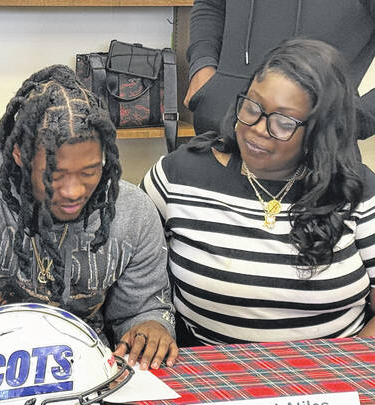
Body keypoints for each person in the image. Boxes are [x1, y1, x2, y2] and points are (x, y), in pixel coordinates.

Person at [0, 65, 177, 370]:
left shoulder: (133, 212)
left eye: (89, 172)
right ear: (19, 154)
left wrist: (151, 326)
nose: (73, 191)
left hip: (92, 373)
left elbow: (143, 309)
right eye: (55, 174)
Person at [142, 38, 375, 347]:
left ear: (318, 132)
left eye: (282, 122)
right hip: (207, 369)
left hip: (331, 377)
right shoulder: (177, 177)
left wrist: (347, 363)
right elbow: (134, 279)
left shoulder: (356, 190)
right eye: (252, 107)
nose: (257, 128)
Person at [184, 0, 375, 138]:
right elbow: (211, 5)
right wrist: (202, 67)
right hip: (217, 133)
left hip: (313, 154)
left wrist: (352, 119)